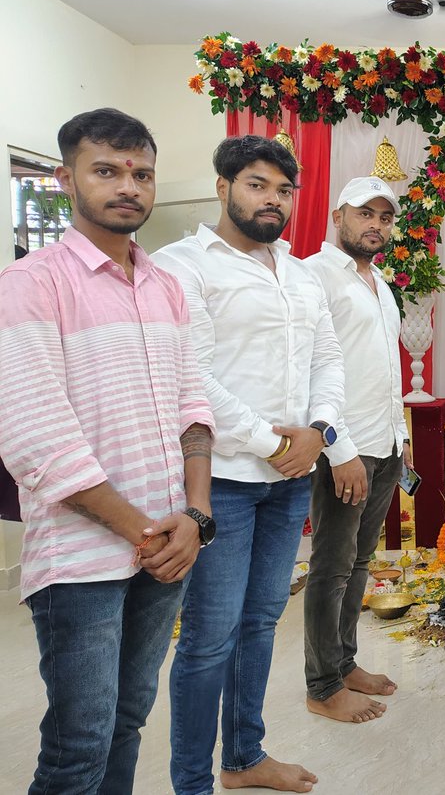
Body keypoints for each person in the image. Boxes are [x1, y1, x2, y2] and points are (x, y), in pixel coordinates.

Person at [0, 108, 215, 794]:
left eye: (141, 174)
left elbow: (193, 405)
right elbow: (36, 438)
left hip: (168, 547)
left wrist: (196, 516)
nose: (128, 186)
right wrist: (148, 534)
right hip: (82, 558)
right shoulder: (31, 283)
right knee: (79, 745)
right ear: (65, 179)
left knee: (127, 720)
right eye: (106, 171)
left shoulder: (165, 286)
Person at [154, 136, 344, 795]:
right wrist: (273, 444)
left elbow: (328, 359)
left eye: (284, 190)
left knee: (261, 621)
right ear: (223, 187)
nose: (273, 200)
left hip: (288, 482)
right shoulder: (183, 267)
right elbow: (192, 375)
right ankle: (191, 784)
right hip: (223, 480)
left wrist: (319, 432)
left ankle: (243, 758)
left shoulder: (300, 273)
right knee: (209, 638)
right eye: (257, 185)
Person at [302, 177, 414, 723]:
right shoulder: (314, 275)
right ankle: (322, 685)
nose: (375, 225)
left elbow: (385, 368)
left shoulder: (379, 282)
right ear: (337, 216)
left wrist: (401, 437)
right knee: (331, 566)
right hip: (344, 448)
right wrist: (338, 448)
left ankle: (344, 664)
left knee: (360, 561)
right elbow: (310, 369)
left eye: (384, 217)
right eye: (364, 213)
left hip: (383, 442)